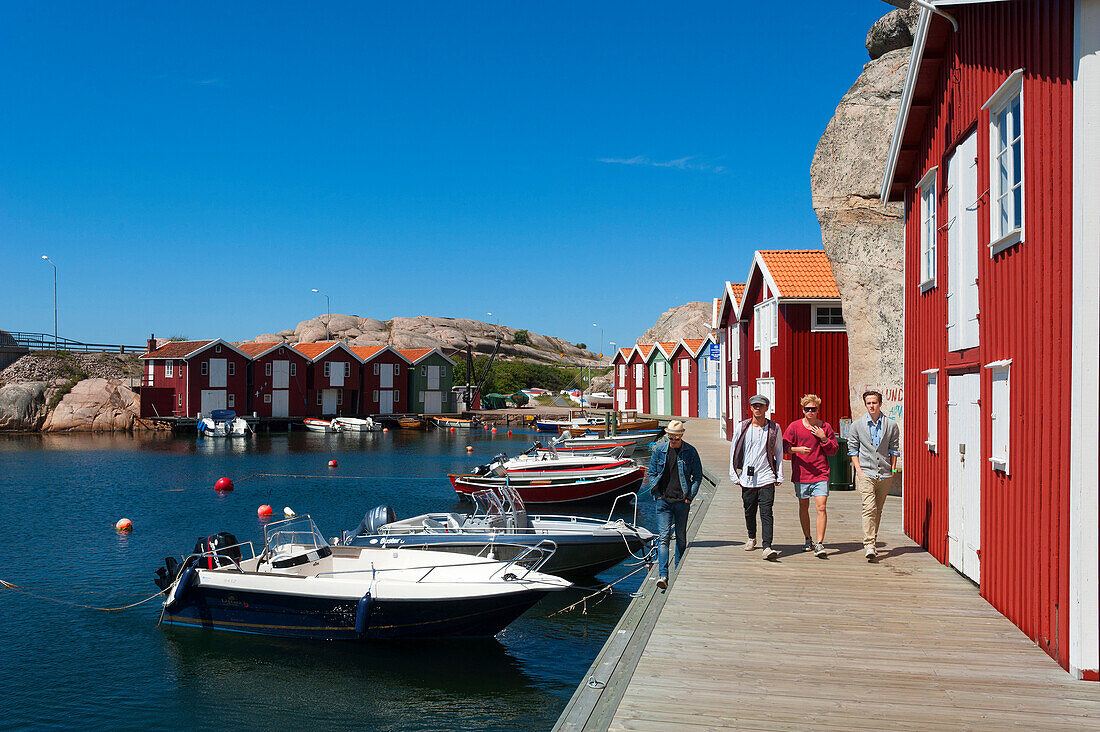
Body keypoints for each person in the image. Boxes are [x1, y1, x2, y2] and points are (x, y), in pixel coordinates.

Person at [647, 419, 703, 590]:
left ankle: (678, 570)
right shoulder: (659, 451)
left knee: (680, 538)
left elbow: (697, 477)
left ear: (681, 436)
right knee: (663, 538)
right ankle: (663, 575)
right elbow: (651, 473)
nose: (673, 440)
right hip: (663, 502)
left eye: (676, 438)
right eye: (670, 437)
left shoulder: (690, 452)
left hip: (681, 502)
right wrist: (657, 495)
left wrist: (690, 497)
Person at [729, 394, 784, 560]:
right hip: (747, 478)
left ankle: (767, 546)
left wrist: (779, 473)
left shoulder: (774, 428)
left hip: (767, 477)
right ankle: (751, 537)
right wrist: (734, 474)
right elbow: (733, 450)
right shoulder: (742, 427)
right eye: (754, 406)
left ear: (767, 408)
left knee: (767, 512)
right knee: (749, 510)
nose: (757, 408)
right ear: (751, 408)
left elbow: (779, 451)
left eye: (761, 405)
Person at [848, 390, 901, 561]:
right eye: (869, 403)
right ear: (865, 405)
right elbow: (853, 450)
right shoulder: (857, 425)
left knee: (878, 510)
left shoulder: (891, 425)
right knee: (869, 508)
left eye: (874, 403)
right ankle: (869, 544)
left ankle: (873, 540)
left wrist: (892, 470)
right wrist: (859, 471)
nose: (871, 406)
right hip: (866, 472)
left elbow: (894, 449)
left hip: (885, 474)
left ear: (880, 404)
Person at [783, 394, 838, 558]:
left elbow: (833, 450)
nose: (810, 412)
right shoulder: (794, 427)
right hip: (801, 473)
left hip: (821, 473)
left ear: (818, 410)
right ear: (803, 410)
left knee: (821, 507)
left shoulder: (825, 427)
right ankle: (808, 539)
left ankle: (820, 544)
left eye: (813, 409)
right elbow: (785, 446)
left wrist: (823, 438)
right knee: (803, 506)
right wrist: (797, 450)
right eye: (807, 409)